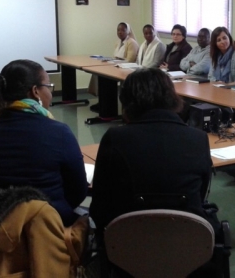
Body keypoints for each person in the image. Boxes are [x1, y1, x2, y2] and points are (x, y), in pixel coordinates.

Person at [89, 68, 220, 273]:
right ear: (171, 97)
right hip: (188, 248)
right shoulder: (198, 138)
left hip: (127, 251)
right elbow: (201, 194)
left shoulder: (115, 138)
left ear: (128, 103)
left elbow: (99, 206)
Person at [0, 59, 88, 227]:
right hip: (50, 232)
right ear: (35, 91)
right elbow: (78, 191)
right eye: (48, 87)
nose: (51, 94)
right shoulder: (60, 133)